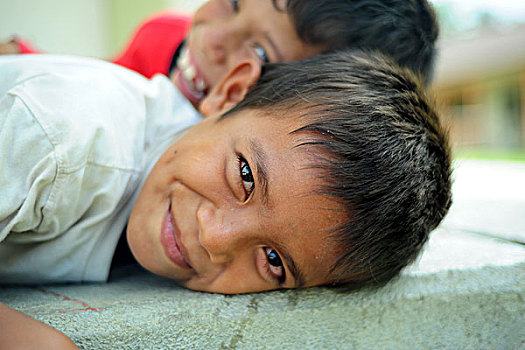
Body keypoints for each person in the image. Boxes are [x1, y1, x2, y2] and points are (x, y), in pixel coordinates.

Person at [0, 49, 451, 345]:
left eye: (273, 260)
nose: (216, 240)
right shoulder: (59, 138)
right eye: (245, 176)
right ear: (229, 94)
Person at [0, 0, 439, 108]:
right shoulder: (162, 36)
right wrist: (29, 57)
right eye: (232, 2)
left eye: (262, 50)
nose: (215, 39)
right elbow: (99, 82)